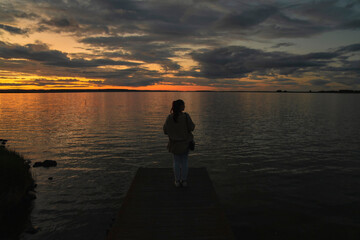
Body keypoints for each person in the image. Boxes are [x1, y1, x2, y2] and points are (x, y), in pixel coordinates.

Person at [163, 99, 195, 187]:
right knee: (184, 162)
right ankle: (184, 181)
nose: (184, 106)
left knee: (176, 162)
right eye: (183, 105)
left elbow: (165, 131)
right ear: (180, 107)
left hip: (174, 144)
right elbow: (192, 128)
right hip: (185, 143)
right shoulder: (186, 116)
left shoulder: (169, 117)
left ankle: (177, 181)